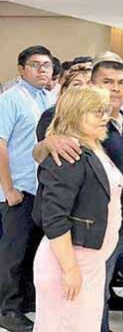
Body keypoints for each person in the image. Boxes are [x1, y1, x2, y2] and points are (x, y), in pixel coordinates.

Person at [34, 58, 123, 332]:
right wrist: (48, 142)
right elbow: (54, 214)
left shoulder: (110, 133)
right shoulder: (68, 146)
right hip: (81, 246)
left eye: (122, 82)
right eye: (107, 82)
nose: (115, 88)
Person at [31, 87, 122, 332]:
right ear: (74, 114)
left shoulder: (93, 146)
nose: (105, 117)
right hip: (68, 262)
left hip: (89, 260)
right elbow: (54, 217)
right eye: (96, 112)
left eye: (104, 110)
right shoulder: (68, 153)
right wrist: (70, 269)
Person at [0, 45, 53, 332]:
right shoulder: (11, 99)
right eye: (35, 64)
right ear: (21, 69)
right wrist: (8, 188)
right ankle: (7, 309)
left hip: (40, 188)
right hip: (17, 190)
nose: (42, 69)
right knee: (14, 253)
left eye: (47, 65)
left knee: (34, 251)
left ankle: (27, 302)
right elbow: (0, 145)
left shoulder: (47, 98)